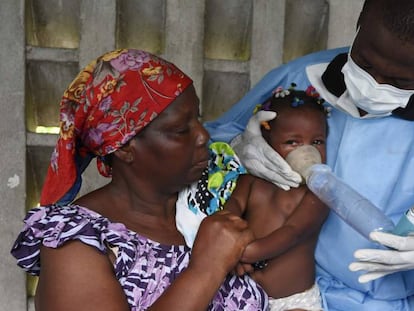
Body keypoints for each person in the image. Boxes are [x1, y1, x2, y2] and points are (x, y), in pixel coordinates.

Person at [10, 49, 268, 310]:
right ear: (123, 147)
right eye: (181, 129)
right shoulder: (76, 242)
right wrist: (207, 267)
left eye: (198, 119)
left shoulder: (215, 200)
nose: (203, 135)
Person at [204, 0, 414, 310]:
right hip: (276, 286)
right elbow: (208, 141)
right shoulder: (302, 77)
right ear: (357, 26)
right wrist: (236, 146)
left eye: (400, 81)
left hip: (379, 300)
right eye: (366, 64)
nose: (374, 85)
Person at [225, 85, 330, 311]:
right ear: (265, 143)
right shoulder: (250, 182)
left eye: (317, 142)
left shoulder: (317, 194)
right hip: (242, 291)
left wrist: (245, 252)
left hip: (292, 300)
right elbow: (230, 209)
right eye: (293, 142)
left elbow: (293, 232)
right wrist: (227, 243)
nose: (307, 151)